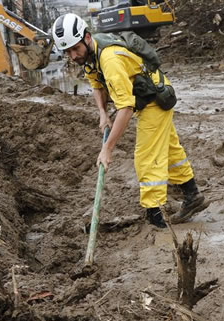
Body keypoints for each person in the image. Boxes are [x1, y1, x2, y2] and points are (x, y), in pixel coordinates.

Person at [52, 13, 208, 228]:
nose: (72, 56)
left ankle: (157, 217)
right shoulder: (90, 56)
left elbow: (125, 108)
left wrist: (108, 148)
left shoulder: (109, 59)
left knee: (147, 157)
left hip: (154, 99)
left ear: (87, 37)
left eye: (74, 49)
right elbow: (97, 85)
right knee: (171, 151)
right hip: (145, 96)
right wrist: (102, 114)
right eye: (67, 51)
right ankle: (192, 196)